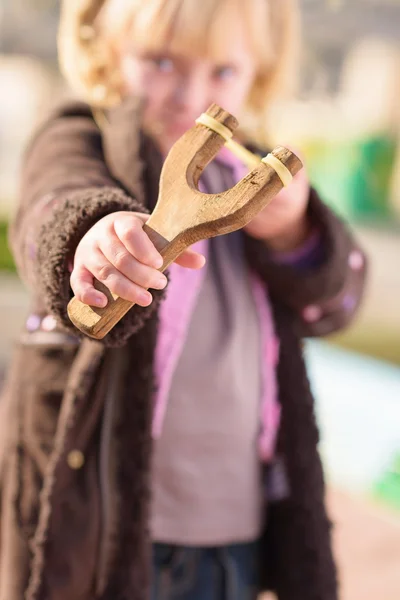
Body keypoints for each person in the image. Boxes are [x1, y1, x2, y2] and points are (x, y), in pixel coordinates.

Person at [0, 1, 367, 599]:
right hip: (110, 522)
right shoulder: (82, 134)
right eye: (161, 61)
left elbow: (338, 303)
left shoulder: (254, 178)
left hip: (233, 529)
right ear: (107, 49)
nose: (188, 94)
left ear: (260, 75)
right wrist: (95, 236)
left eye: (222, 72)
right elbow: (54, 205)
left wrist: (298, 234)